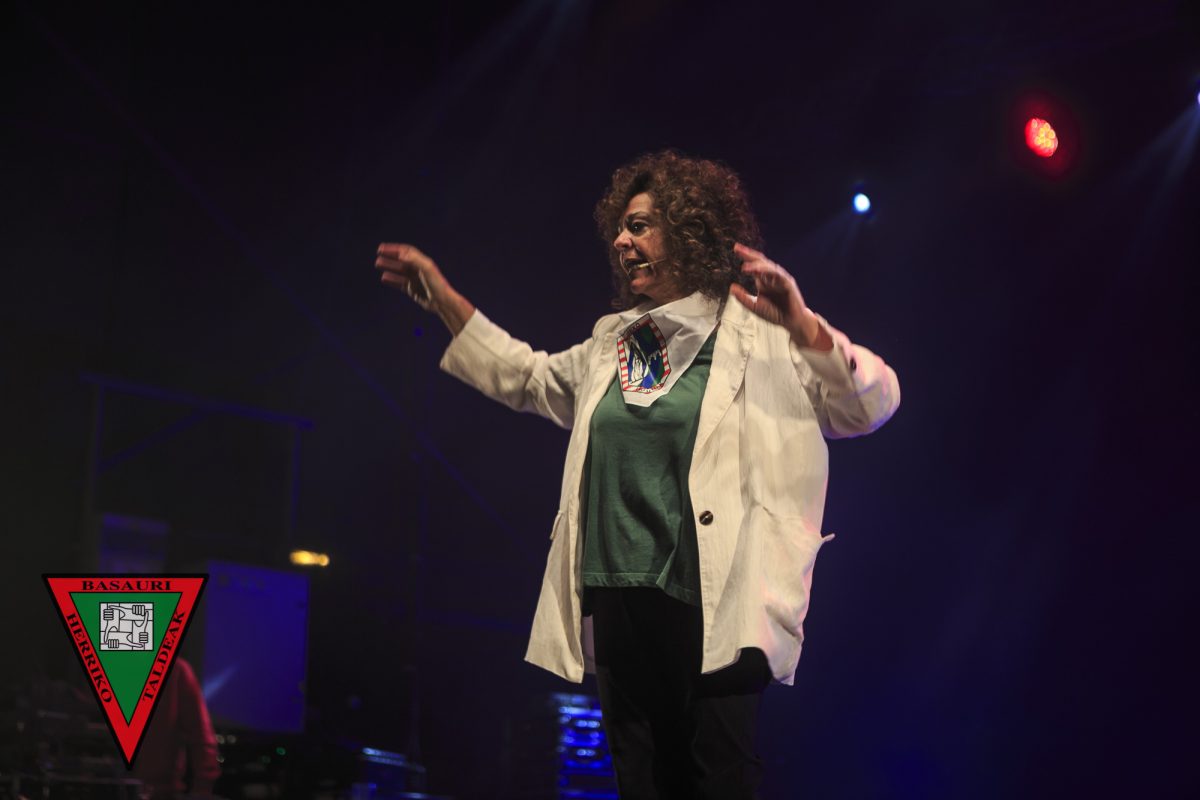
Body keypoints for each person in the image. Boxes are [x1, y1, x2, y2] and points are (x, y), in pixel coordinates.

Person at [375, 150, 899, 799]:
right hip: (619, 593)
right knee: (642, 780)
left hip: (720, 597)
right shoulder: (625, 342)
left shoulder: (762, 334)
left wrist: (802, 324)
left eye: (641, 225)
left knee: (716, 777)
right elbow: (530, 378)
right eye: (620, 229)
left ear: (689, 232)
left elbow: (870, 405)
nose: (622, 241)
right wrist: (444, 300)